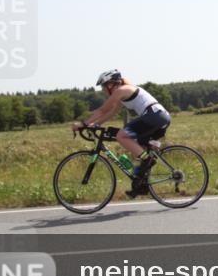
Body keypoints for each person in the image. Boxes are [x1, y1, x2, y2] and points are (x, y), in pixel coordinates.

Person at [72, 69, 171, 197]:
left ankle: (148, 161)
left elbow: (102, 110)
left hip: (154, 116)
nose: (103, 90)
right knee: (141, 153)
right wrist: (95, 125)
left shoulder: (121, 90)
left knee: (121, 135)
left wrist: (83, 124)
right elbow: (111, 113)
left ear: (111, 84)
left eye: (103, 86)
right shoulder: (122, 93)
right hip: (160, 118)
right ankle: (141, 187)